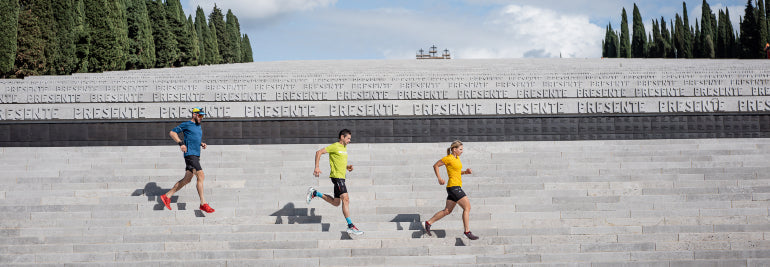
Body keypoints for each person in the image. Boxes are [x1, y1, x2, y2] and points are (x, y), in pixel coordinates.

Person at [305, 129, 362, 235]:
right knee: (346, 199)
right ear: (342, 137)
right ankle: (350, 226)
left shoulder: (344, 148)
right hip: (337, 177)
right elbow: (319, 152)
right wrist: (317, 167)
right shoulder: (335, 146)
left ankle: (315, 193)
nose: (350, 140)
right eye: (348, 138)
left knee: (336, 203)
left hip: (341, 177)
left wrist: (347, 166)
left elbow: (339, 161)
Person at [160, 107, 215, 213]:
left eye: (202, 116)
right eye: (199, 115)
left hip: (196, 155)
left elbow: (193, 138)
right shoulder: (186, 124)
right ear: (194, 114)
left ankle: (167, 196)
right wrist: (181, 143)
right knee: (201, 175)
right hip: (190, 155)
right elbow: (172, 133)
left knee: (187, 179)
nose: (201, 118)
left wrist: (201, 143)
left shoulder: (198, 127)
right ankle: (203, 203)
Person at [424, 140, 478, 240]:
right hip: (454, 187)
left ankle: (428, 223)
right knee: (467, 207)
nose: (462, 151)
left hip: (454, 187)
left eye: (462, 149)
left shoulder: (457, 158)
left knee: (447, 211)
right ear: (454, 149)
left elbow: (456, 172)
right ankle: (467, 231)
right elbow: (435, 165)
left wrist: (465, 172)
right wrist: (439, 178)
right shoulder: (448, 158)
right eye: (460, 149)